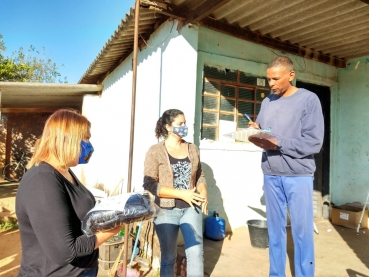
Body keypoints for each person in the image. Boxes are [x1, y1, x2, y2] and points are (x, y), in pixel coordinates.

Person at [16, 109, 122, 277]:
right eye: (86, 138)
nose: (89, 145)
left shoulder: (64, 171)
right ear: (67, 139)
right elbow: (64, 252)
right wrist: (113, 230)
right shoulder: (42, 180)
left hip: (83, 270)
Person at [248, 56, 324, 277]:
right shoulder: (267, 101)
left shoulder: (309, 100)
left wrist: (277, 142)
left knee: (301, 232)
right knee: (275, 232)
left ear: (291, 75)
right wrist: (255, 129)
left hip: (298, 175)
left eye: (275, 79)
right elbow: (266, 128)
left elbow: (313, 142)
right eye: (268, 79)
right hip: (271, 172)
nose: (271, 84)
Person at [143, 109, 208, 277]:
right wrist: (181, 194)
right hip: (165, 211)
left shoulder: (192, 148)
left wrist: (204, 191)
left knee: (195, 254)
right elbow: (149, 184)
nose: (185, 126)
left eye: (185, 123)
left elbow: (199, 174)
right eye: (180, 124)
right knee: (168, 257)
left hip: (192, 208)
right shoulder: (155, 151)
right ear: (168, 127)